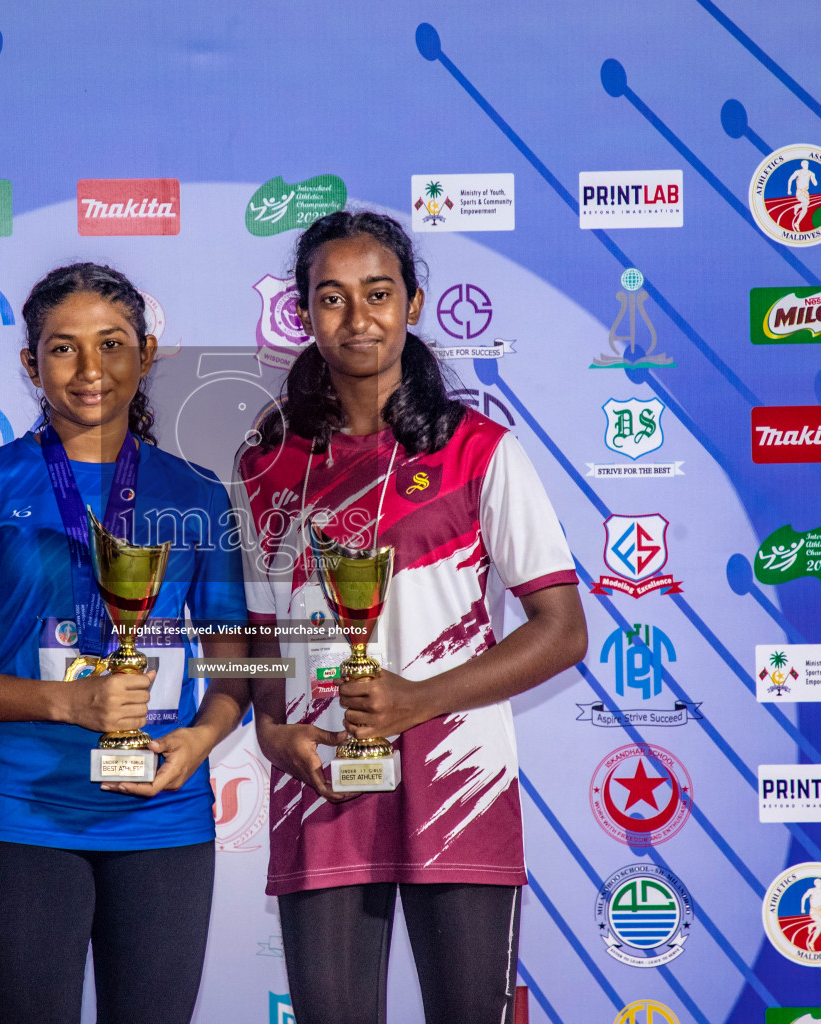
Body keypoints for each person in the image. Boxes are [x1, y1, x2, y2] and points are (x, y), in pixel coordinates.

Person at [233, 211, 588, 1024]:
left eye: (378, 293)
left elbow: (562, 629)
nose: (357, 318)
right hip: (322, 787)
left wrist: (418, 700)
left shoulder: (479, 449)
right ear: (303, 314)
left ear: (415, 303)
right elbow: (260, 636)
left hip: (458, 783)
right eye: (331, 297)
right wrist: (269, 728)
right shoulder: (265, 460)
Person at [0, 263, 251, 1024]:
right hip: (26, 815)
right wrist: (65, 700)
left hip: (163, 816)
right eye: (63, 349)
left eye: (112, 344)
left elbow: (236, 666)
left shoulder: (197, 494)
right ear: (30, 364)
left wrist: (203, 738)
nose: (90, 370)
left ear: (145, 355)